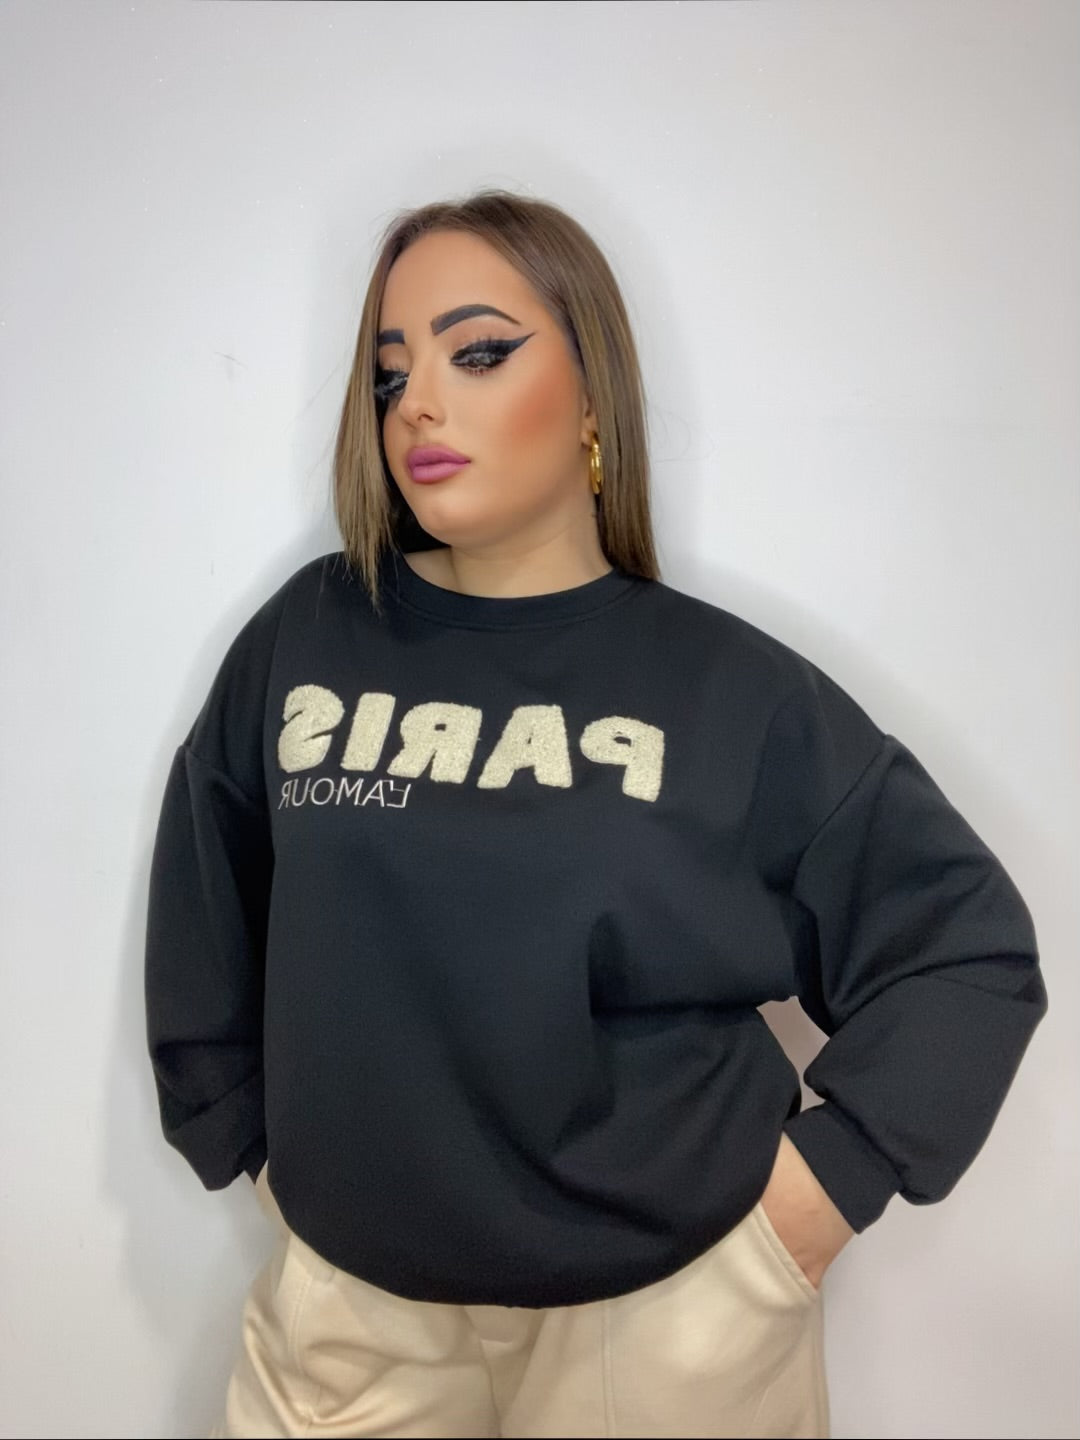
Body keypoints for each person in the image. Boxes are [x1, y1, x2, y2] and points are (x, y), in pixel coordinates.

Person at [143, 189, 1047, 1440]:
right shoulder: (311, 636)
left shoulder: (729, 690)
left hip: (668, 1328)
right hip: (350, 1320)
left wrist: (809, 1207)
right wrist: (249, 1150)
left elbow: (964, 948)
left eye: (478, 353)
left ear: (590, 397)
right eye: (391, 370)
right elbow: (206, 897)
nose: (417, 403)